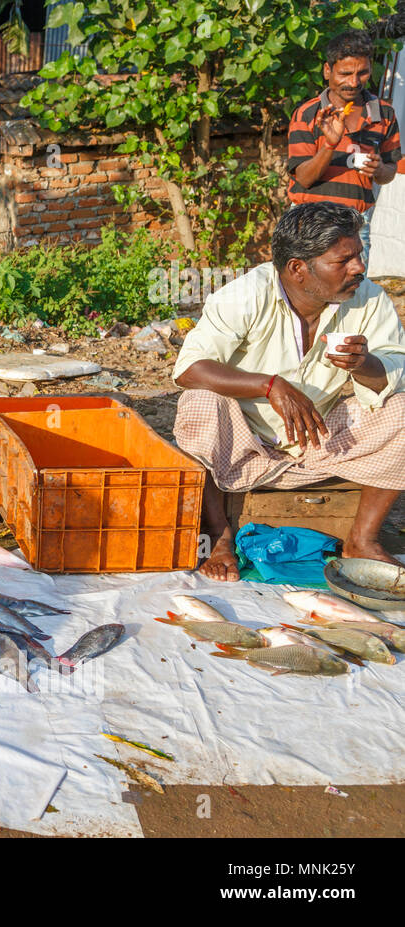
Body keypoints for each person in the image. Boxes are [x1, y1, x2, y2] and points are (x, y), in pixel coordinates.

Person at [172, 202, 405, 582]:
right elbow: (189, 369)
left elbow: (397, 367)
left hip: (322, 441)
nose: (359, 268)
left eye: (359, 256)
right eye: (343, 261)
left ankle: (361, 539)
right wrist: (269, 385)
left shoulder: (369, 298)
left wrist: (366, 365)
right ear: (298, 268)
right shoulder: (246, 295)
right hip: (243, 445)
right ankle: (219, 537)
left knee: (402, 408)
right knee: (199, 401)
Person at [287, 29, 400, 263]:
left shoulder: (384, 114)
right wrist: (330, 144)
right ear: (328, 70)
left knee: (353, 296)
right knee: (307, 296)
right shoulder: (308, 114)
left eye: (363, 73)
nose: (354, 82)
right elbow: (304, 179)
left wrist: (379, 170)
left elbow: (390, 171)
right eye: (345, 73)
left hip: (356, 225)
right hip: (309, 224)